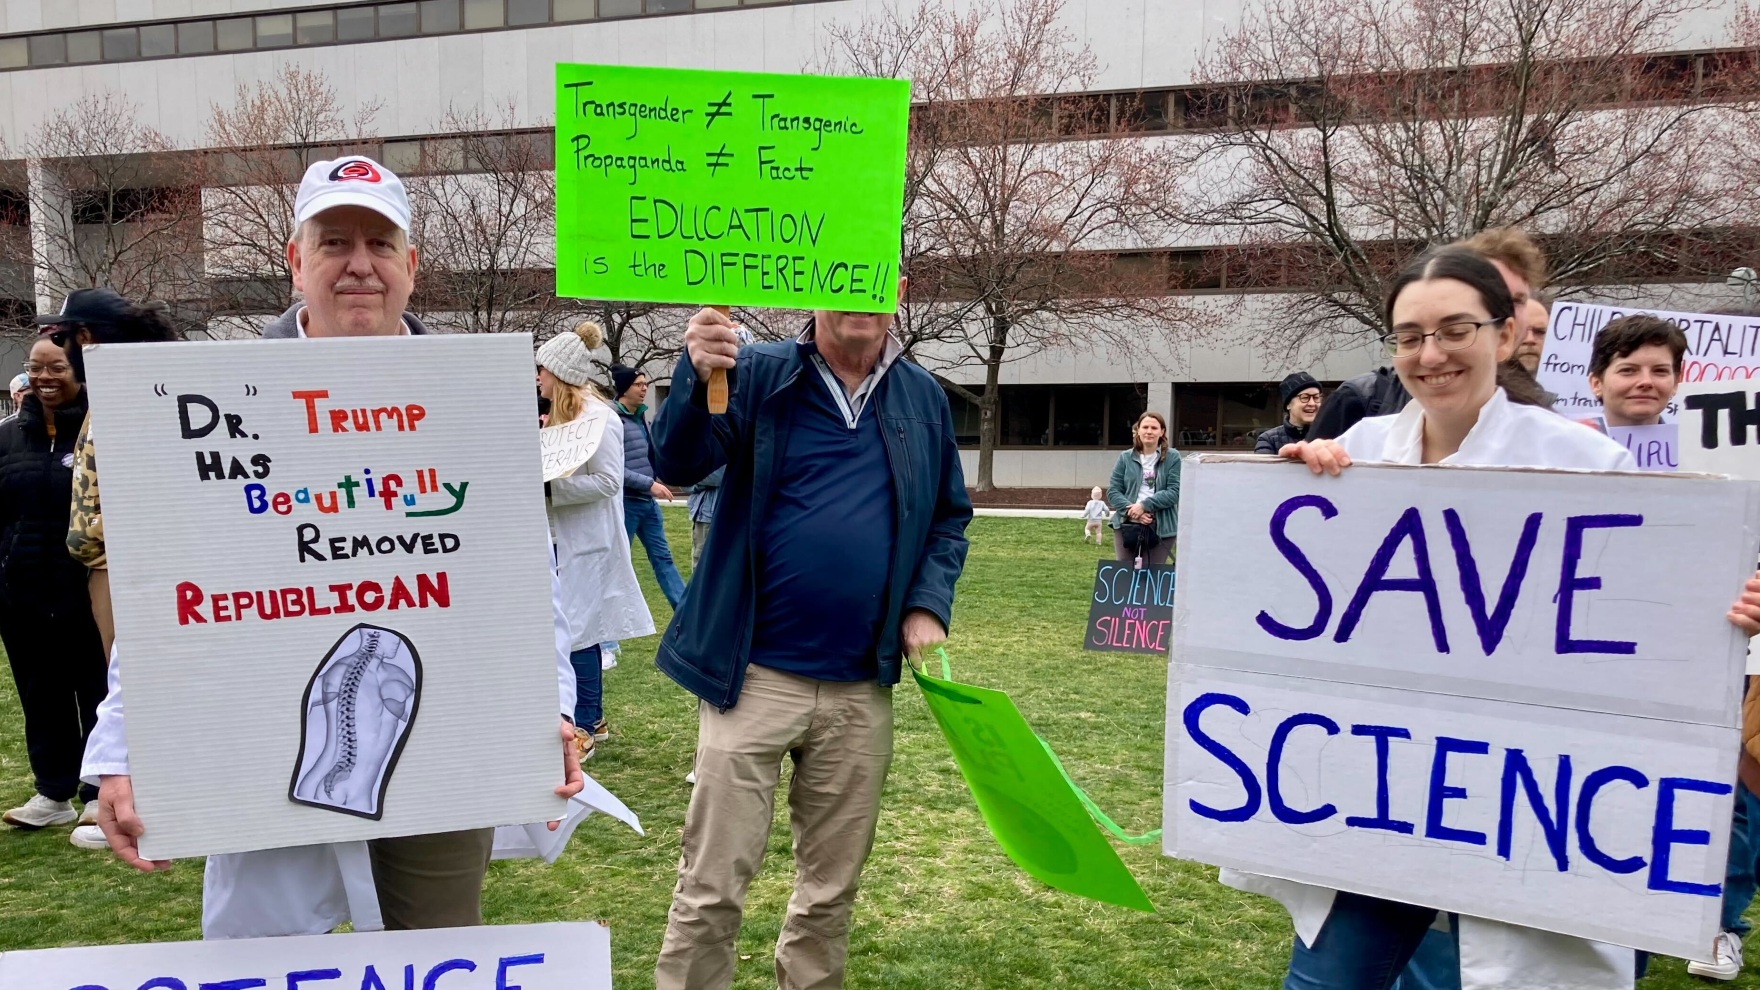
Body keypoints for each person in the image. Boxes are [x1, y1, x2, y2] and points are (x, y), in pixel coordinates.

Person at [80, 156, 583, 938]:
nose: (360, 265)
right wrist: (120, 745)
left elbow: (523, 577)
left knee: (439, 952)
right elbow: (168, 592)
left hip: (449, 740)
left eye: (381, 245)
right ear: (295, 260)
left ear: (411, 266)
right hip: (254, 735)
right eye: (335, 241)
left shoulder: (471, 399)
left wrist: (548, 703)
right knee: (267, 958)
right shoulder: (211, 401)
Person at [1265, 246, 1760, 990]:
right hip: (1375, 791)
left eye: (1454, 329)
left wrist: (1725, 615)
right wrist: (1285, 493)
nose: (1430, 354)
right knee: (1329, 981)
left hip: (1526, 798)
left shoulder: (1584, 464)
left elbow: (1651, 611)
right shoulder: (1356, 455)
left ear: (1505, 335)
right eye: (1409, 336)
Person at [649, 292, 972, 990]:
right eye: (848, 278)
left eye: (879, 278)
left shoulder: (922, 397)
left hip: (861, 685)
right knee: (712, 886)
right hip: (753, 676)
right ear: (815, 284)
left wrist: (926, 604)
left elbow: (949, 518)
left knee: (831, 893)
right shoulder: (759, 371)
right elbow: (678, 460)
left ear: (903, 289)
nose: (863, 298)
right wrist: (694, 369)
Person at [0, 329, 110, 837]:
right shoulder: (7, 437)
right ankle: (52, 792)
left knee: (96, 689)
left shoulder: (101, 431)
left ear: (80, 375)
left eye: (57, 369)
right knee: (40, 695)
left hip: (84, 589)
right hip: (21, 594)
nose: (44, 378)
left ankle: (96, 792)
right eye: (36, 367)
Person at [537, 321, 654, 762]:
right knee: (572, 626)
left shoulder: (599, 418)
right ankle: (595, 717)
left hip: (589, 540)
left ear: (561, 373)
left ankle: (583, 724)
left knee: (579, 631)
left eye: (543, 370)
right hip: (560, 536)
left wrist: (551, 490)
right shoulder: (558, 416)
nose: (538, 377)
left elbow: (608, 481)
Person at [610, 364, 686, 610]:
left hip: (647, 505)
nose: (644, 389)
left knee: (664, 559)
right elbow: (613, 470)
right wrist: (649, 484)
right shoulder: (612, 421)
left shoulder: (641, 417)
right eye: (638, 384)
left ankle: (685, 614)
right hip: (626, 504)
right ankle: (606, 635)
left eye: (645, 384)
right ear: (624, 389)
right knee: (616, 565)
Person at [1107, 411, 1179, 567]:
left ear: (1162, 432)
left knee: (1150, 578)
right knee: (1124, 575)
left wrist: (1144, 505)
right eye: (1145, 427)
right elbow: (1113, 491)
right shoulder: (1125, 457)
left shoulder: (1173, 457)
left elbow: (1174, 492)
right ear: (1138, 430)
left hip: (1162, 526)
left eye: (1154, 428)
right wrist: (1134, 512)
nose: (1149, 431)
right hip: (1126, 523)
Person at [1588, 314, 1685, 427]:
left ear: (1675, 383)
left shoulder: (1689, 444)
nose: (1646, 382)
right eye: (1628, 370)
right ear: (1597, 383)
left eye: (1660, 371)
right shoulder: (1568, 444)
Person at [1255, 373, 1323, 454]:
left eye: (1316, 397)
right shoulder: (1269, 439)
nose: (1312, 403)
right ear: (1288, 404)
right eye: (1305, 397)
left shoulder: (1332, 435)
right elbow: (1262, 466)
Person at [687, 466, 724, 570]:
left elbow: (722, 474)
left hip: (718, 515)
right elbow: (679, 478)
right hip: (702, 514)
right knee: (699, 566)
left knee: (707, 567)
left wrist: (689, 475)